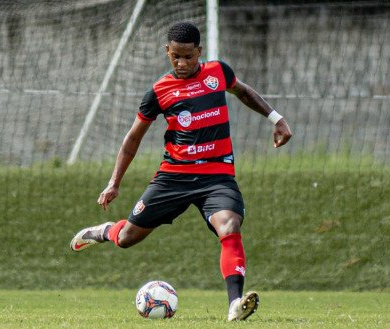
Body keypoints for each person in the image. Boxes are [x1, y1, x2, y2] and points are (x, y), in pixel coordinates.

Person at [70, 21, 292, 321]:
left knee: (229, 225)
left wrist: (276, 118)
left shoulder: (218, 72)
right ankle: (104, 231)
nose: (182, 62)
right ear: (167, 52)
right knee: (127, 238)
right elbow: (132, 139)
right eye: (176, 56)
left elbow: (243, 91)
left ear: (199, 52)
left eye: (189, 56)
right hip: (173, 177)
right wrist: (114, 183)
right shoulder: (159, 91)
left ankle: (235, 303)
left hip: (217, 176)